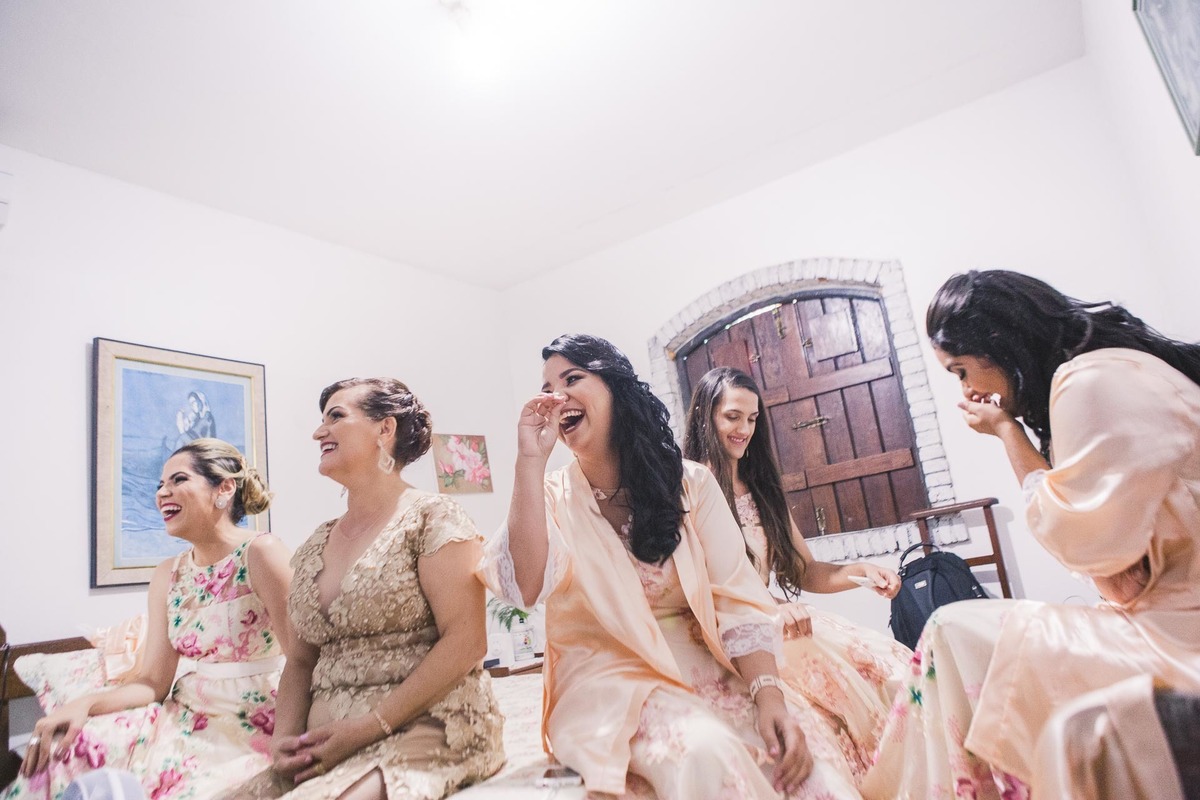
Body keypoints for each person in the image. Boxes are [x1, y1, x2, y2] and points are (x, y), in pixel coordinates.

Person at [861, 270, 1200, 800]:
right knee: (956, 638)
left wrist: (1006, 433)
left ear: (1000, 344)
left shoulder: (1088, 383)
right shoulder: (1105, 370)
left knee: (951, 631)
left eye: (961, 370)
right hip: (1171, 617)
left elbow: (1104, 567)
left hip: (1179, 635)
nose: (967, 391)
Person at [480, 333, 865, 799]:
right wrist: (529, 461)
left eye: (571, 379)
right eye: (546, 388)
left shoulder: (691, 483)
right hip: (608, 679)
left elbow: (737, 597)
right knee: (705, 751)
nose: (555, 397)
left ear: (615, 389)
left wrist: (768, 694)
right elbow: (523, 588)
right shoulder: (548, 497)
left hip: (705, 661)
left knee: (806, 770)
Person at [233, 378, 503, 800]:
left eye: (336, 417)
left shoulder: (433, 517)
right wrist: (283, 740)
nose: (318, 432)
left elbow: (467, 641)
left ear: (384, 428)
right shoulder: (316, 543)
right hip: (324, 742)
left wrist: (368, 727)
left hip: (427, 727)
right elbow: (301, 660)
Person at [5, 439, 291, 800]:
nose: (162, 493)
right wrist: (84, 704)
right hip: (182, 716)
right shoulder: (168, 574)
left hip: (253, 723)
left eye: (178, 480)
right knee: (68, 748)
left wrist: (291, 739)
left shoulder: (262, 552)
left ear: (224, 488)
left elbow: (303, 658)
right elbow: (154, 682)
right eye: (160, 484)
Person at [683, 366, 911, 779]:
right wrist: (770, 607)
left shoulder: (761, 489)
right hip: (730, 632)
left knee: (892, 675)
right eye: (733, 416)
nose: (744, 430)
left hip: (782, 620)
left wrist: (860, 571)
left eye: (752, 419)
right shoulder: (688, 488)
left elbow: (806, 571)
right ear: (705, 415)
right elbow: (701, 583)